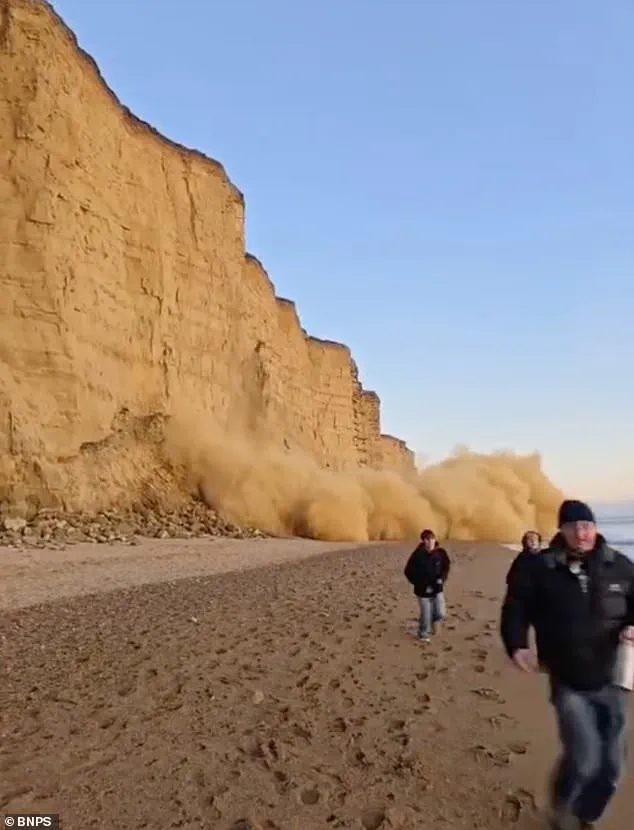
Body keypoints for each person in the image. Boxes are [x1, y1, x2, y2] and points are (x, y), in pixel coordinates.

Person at [500, 499, 634, 830]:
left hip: (613, 679)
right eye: (573, 527)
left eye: (587, 525)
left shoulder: (620, 565)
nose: (582, 533)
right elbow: (515, 608)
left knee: (612, 768)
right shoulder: (541, 568)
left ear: (596, 528)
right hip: (568, 681)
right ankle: (562, 808)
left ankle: (585, 816)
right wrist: (517, 645)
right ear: (561, 530)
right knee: (585, 760)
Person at [404, 529, 451, 643]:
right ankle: (423, 634)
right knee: (425, 613)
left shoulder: (441, 553)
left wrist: (442, 579)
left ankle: (433, 620)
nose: (430, 542)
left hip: (437, 589)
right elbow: (407, 571)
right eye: (427, 539)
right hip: (422, 591)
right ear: (423, 541)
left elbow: (446, 566)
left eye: (432, 539)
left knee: (441, 613)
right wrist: (418, 583)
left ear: (435, 540)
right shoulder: (418, 555)